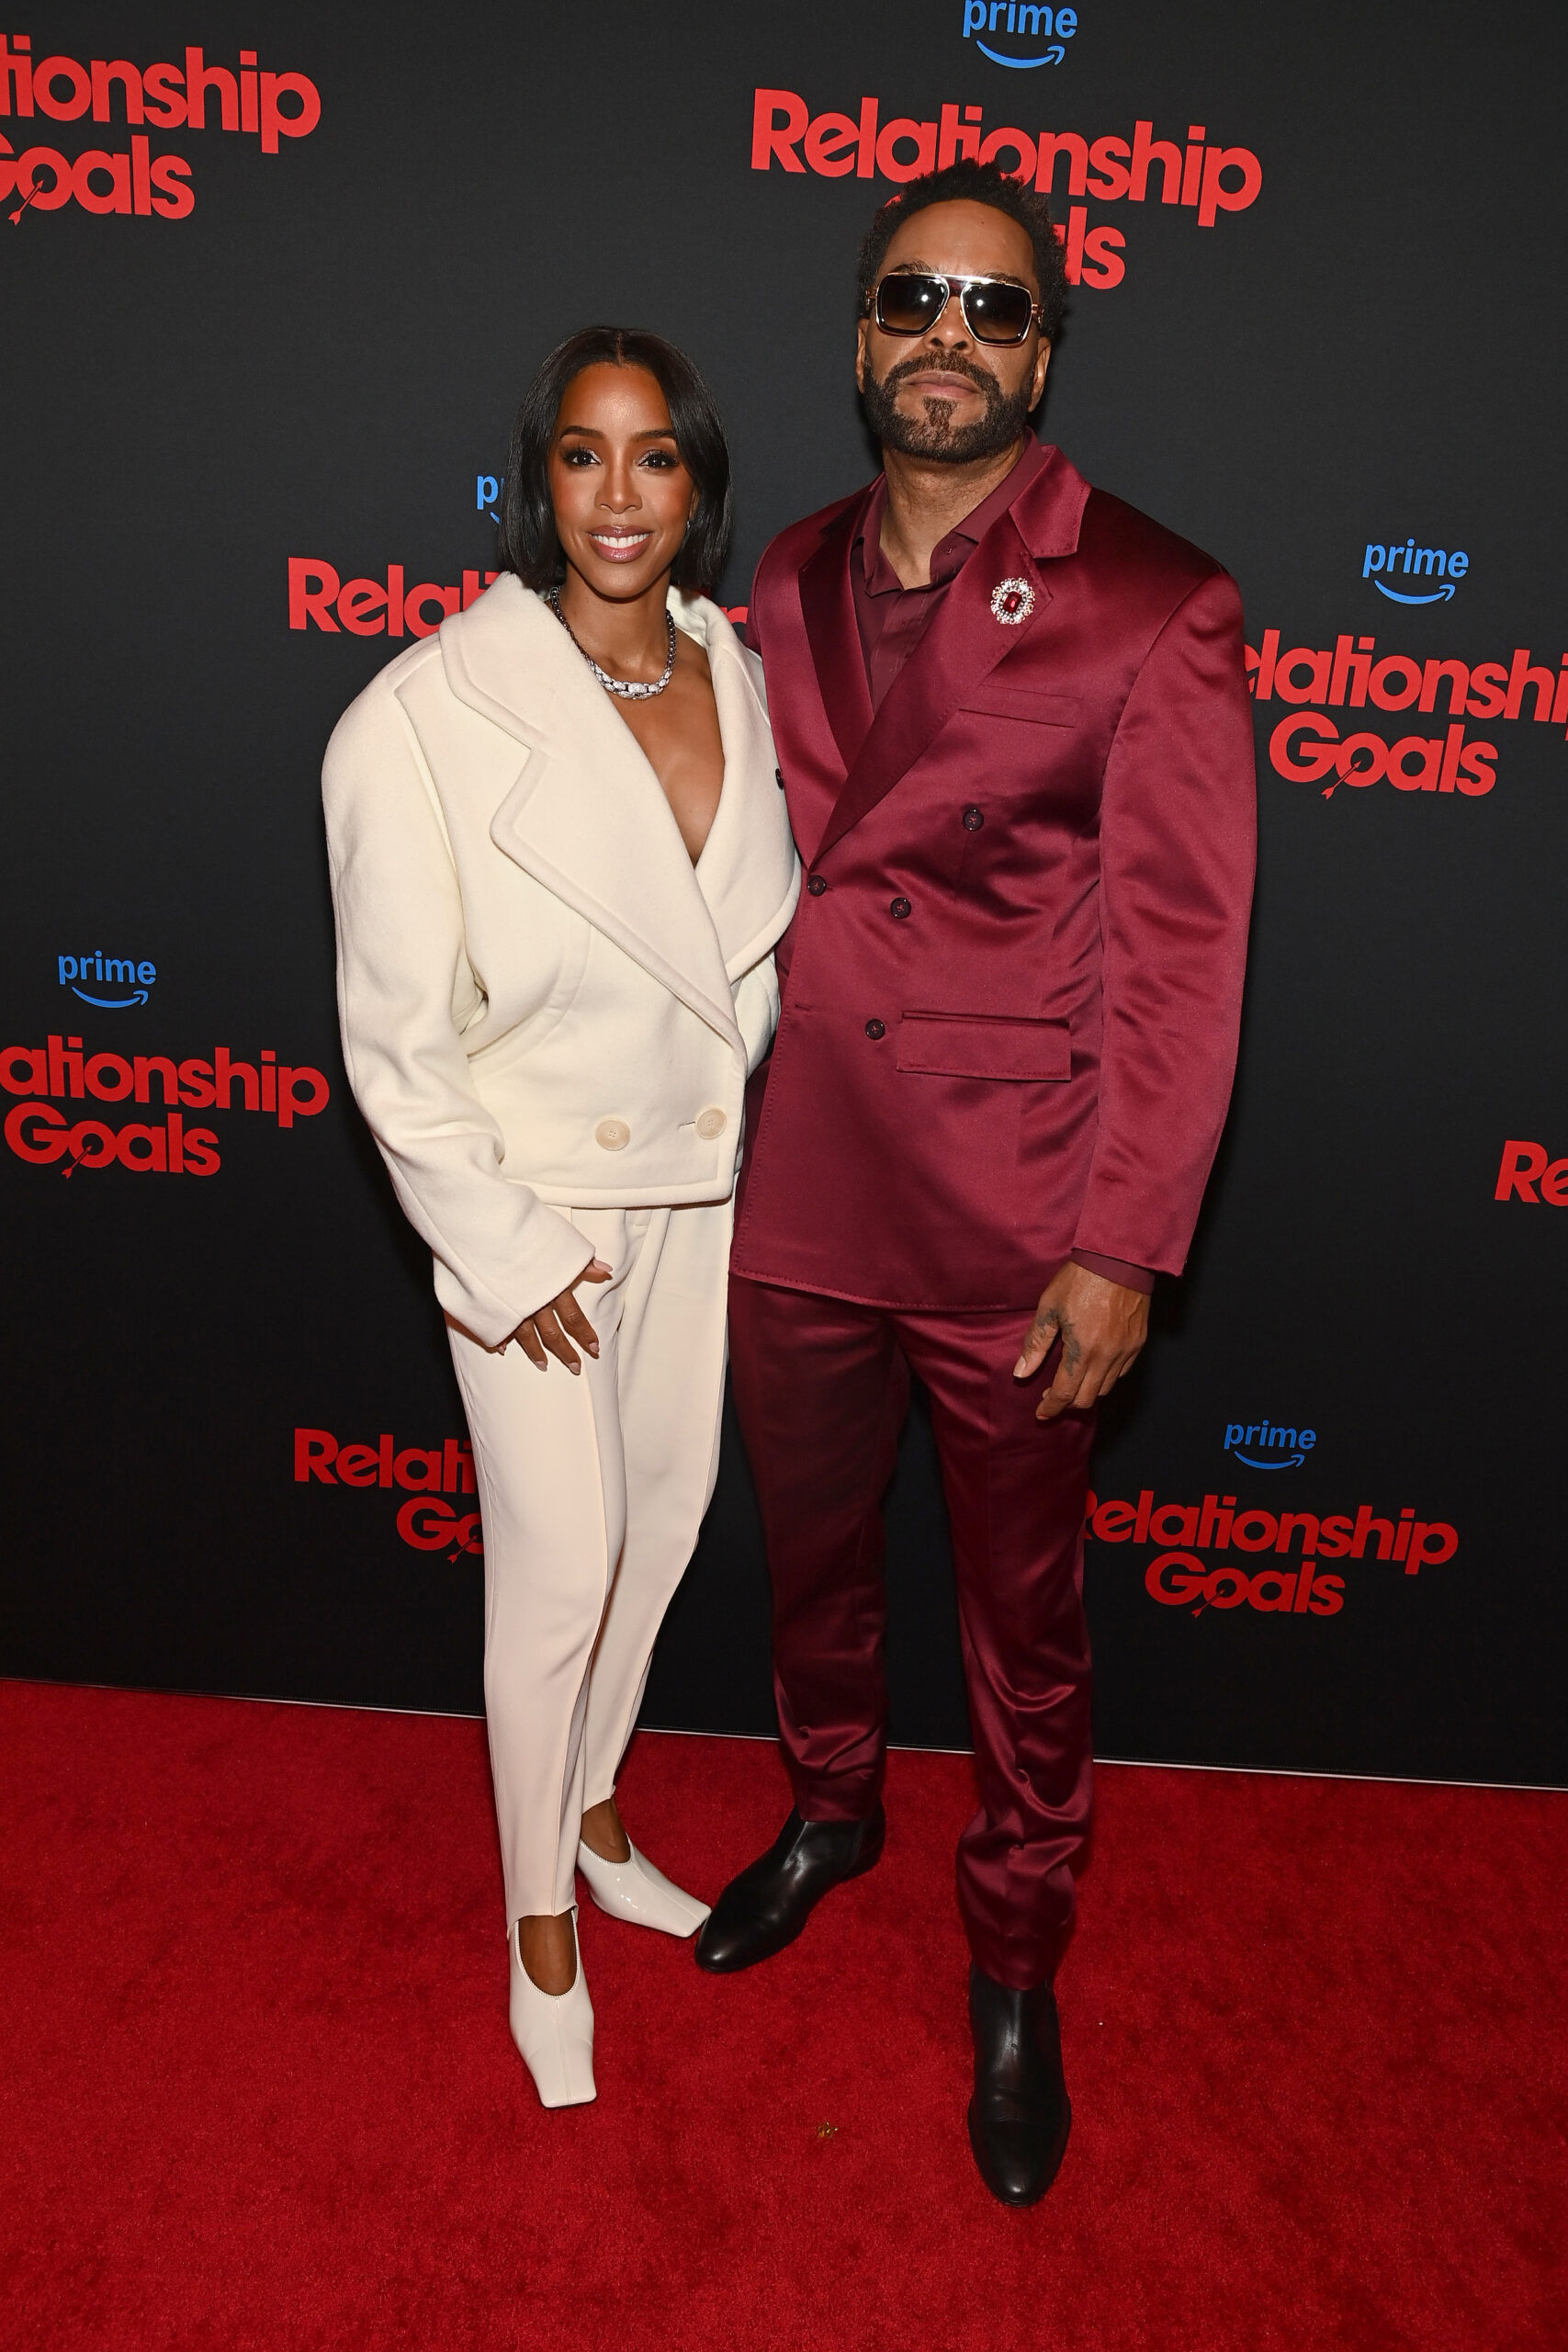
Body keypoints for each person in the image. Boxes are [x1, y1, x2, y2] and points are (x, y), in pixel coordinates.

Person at [694, 161, 1256, 2206]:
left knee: (1023, 1626)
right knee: (811, 1555)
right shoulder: (785, 570)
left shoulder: (1151, 599)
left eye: (993, 306)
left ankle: (1014, 1954)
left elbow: (1182, 958)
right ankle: (831, 1806)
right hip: (798, 1192)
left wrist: (1124, 1245)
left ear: (1042, 352)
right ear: (861, 336)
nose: (949, 334)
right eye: (913, 298)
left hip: (1019, 1223)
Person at [321, 328, 798, 2109]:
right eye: (583, 454)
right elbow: (394, 1038)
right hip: (537, 1214)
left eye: (653, 454)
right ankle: (537, 1915)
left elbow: (738, 947)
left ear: (696, 484)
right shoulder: (421, 715)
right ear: (538, 481)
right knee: (558, 1570)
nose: (618, 493)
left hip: (695, 1185)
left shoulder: (733, 669)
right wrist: (507, 1250)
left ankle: (596, 1808)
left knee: (662, 1526)